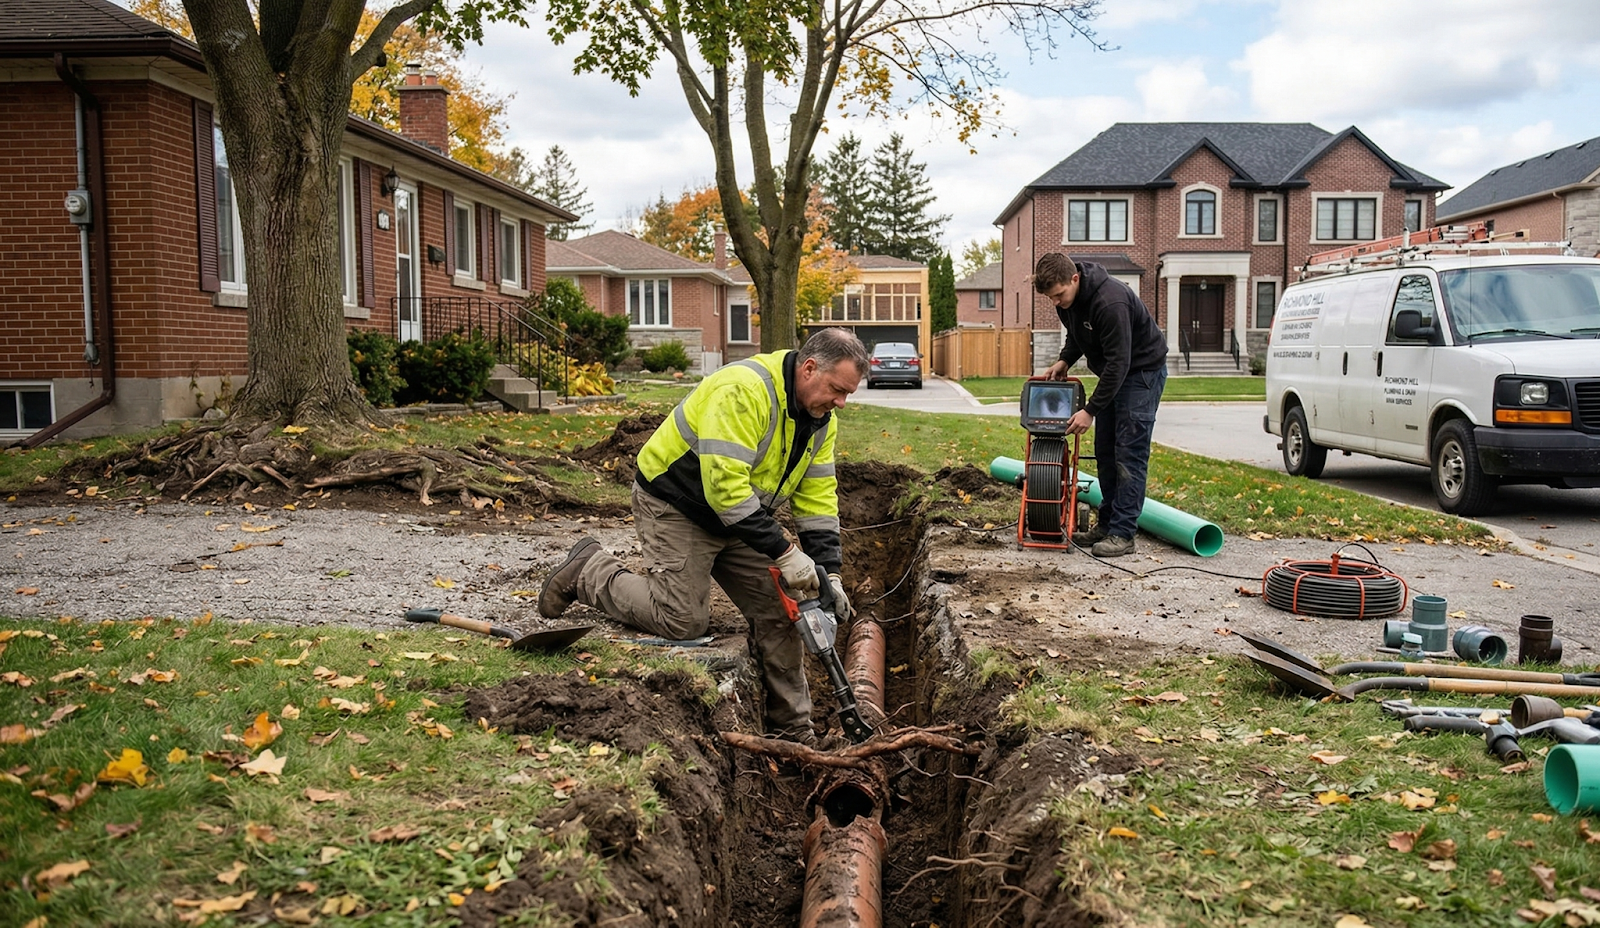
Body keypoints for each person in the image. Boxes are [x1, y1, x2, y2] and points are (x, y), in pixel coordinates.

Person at [538, 327, 868, 744]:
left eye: (848, 395)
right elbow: (725, 491)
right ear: (808, 368)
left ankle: (793, 731)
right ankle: (590, 570)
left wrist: (830, 572)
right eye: (837, 390)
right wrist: (785, 554)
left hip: (741, 518)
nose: (840, 403)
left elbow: (817, 497)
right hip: (678, 505)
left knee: (785, 613)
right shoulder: (744, 391)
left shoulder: (822, 421)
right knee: (682, 622)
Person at [1034, 253, 1168, 557]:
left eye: (1058, 295)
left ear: (1075, 279)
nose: (1055, 302)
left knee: (1128, 453)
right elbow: (1078, 334)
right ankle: (1106, 525)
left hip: (1142, 373)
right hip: (1115, 372)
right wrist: (1065, 359)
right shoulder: (1069, 301)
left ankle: (1123, 533)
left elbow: (1120, 363)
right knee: (1106, 451)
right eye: (1050, 297)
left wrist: (1090, 410)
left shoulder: (1111, 302)